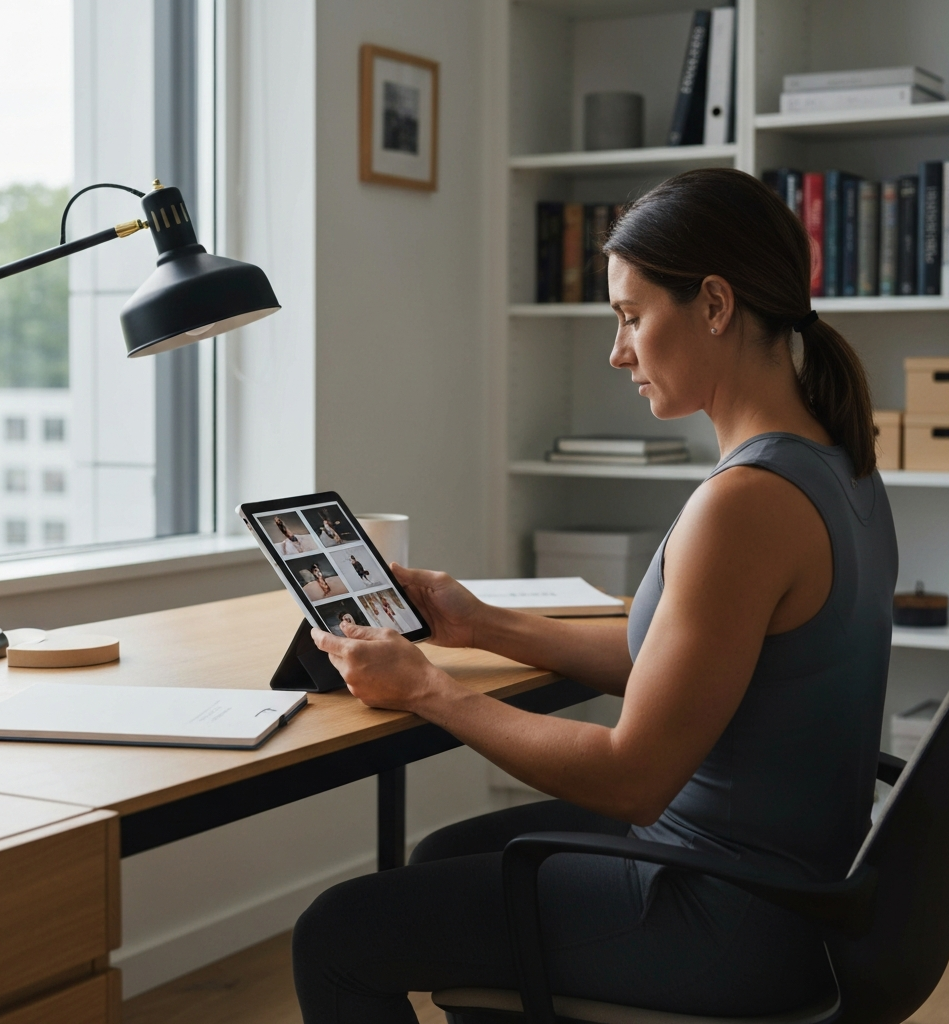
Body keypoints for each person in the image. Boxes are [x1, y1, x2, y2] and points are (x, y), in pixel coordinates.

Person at [292, 168, 897, 1021]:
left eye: (631, 317)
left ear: (715, 305)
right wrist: (481, 624)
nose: (618, 352)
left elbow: (631, 780)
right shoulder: (839, 467)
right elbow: (681, 668)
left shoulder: (746, 505)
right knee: (438, 857)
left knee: (335, 935)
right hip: (787, 891)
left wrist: (428, 688)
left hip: (720, 914)